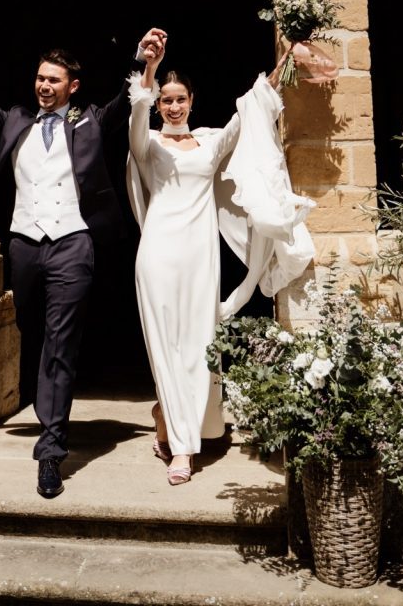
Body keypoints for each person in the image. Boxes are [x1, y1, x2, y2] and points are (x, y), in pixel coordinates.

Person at [0, 26, 167, 499]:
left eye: (53, 80)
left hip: (72, 244)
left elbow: (124, 99)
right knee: (32, 328)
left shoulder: (89, 119)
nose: (44, 86)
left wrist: (140, 57)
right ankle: (45, 411)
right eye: (40, 78)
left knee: (60, 344)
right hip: (25, 245)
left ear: (72, 87)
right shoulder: (15, 121)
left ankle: (51, 452)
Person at [126, 38, 315, 486]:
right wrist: (151, 67)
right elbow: (135, 115)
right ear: (159, 105)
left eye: (180, 100)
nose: (173, 107)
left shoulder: (210, 144)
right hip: (156, 251)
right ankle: (183, 449)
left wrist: (280, 66)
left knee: (197, 344)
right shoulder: (148, 144)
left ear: (192, 101)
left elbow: (247, 113)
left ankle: (170, 418)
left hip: (199, 253)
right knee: (163, 345)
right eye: (166, 101)